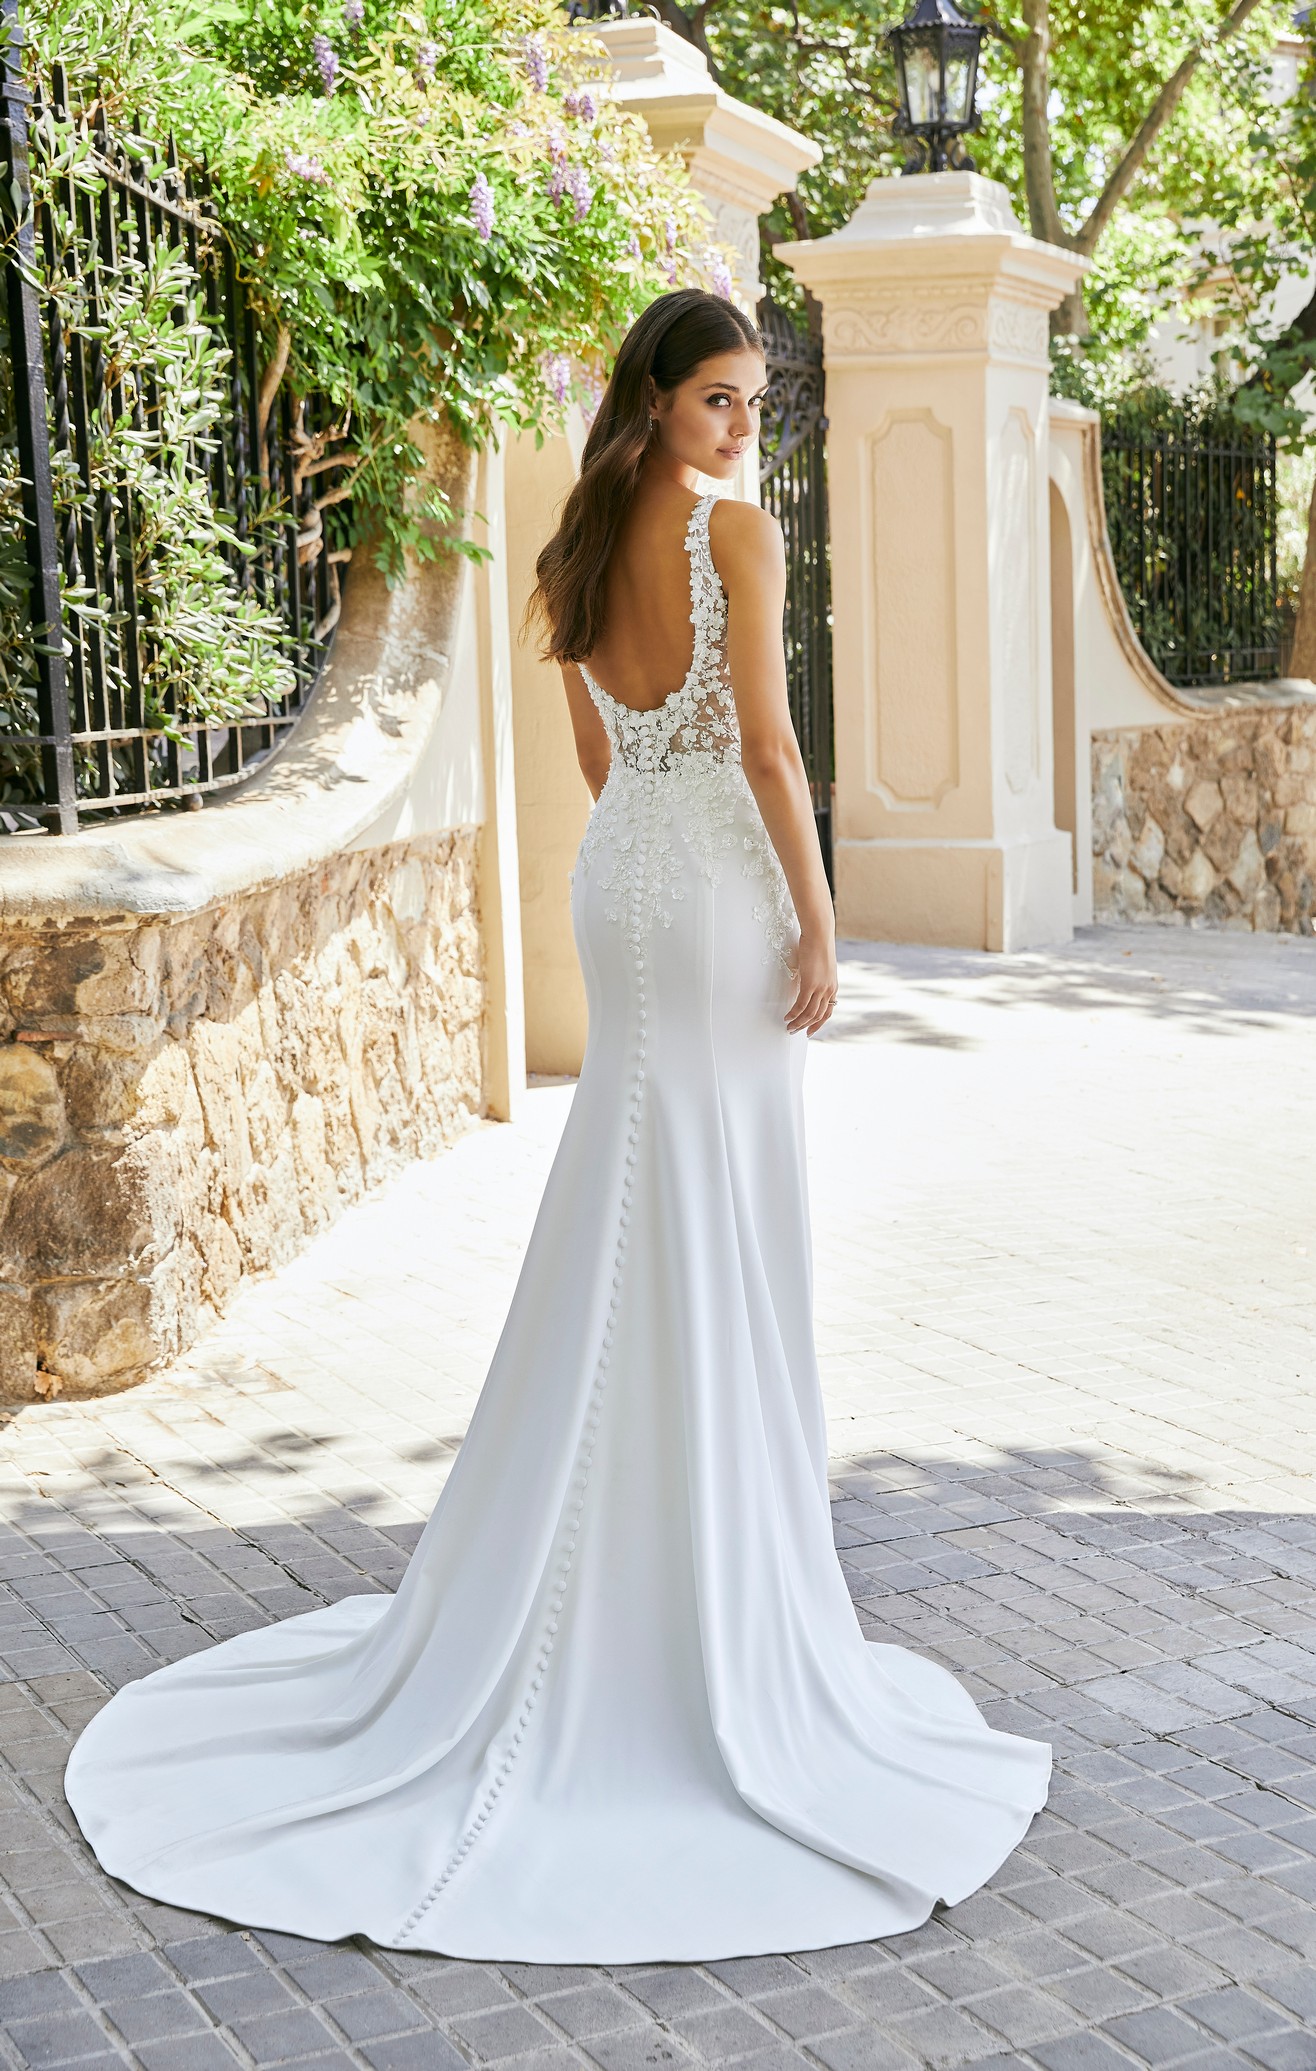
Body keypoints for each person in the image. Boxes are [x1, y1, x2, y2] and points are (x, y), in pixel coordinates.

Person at [64, 288, 1051, 1962]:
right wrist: (818, 921)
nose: (746, 431)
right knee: (720, 1210)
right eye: (724, 401)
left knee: (636, 1192)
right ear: (662, 402)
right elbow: (763, 743)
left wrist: (664, 866)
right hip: (723, 889)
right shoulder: (734, 540)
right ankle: (698, 1597)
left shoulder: (579, 543)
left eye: (754, 406)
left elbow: (605, 759)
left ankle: (609, 1571)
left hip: (628, 888)